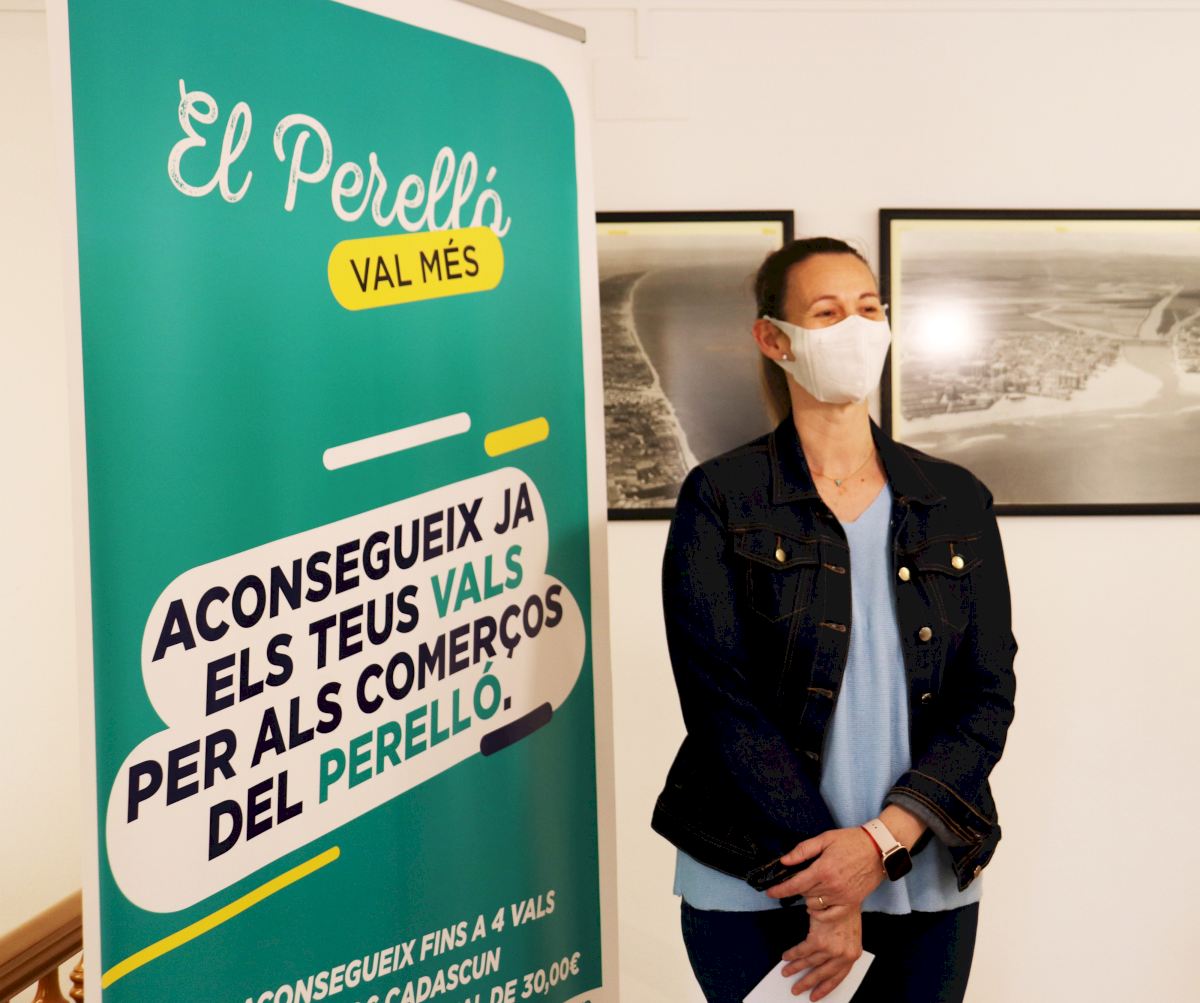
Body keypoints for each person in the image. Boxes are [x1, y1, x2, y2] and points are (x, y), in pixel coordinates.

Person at [651, 237, 1018, 1002]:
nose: (855, 326)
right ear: (773, 338)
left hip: (922, 876)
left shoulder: (956, 499)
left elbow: (986, 696)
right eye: (827, 312)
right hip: (755, 877)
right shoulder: (721, 497)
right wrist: (829, 886)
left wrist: (879, 844)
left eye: (869, 308)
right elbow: (721, 706)